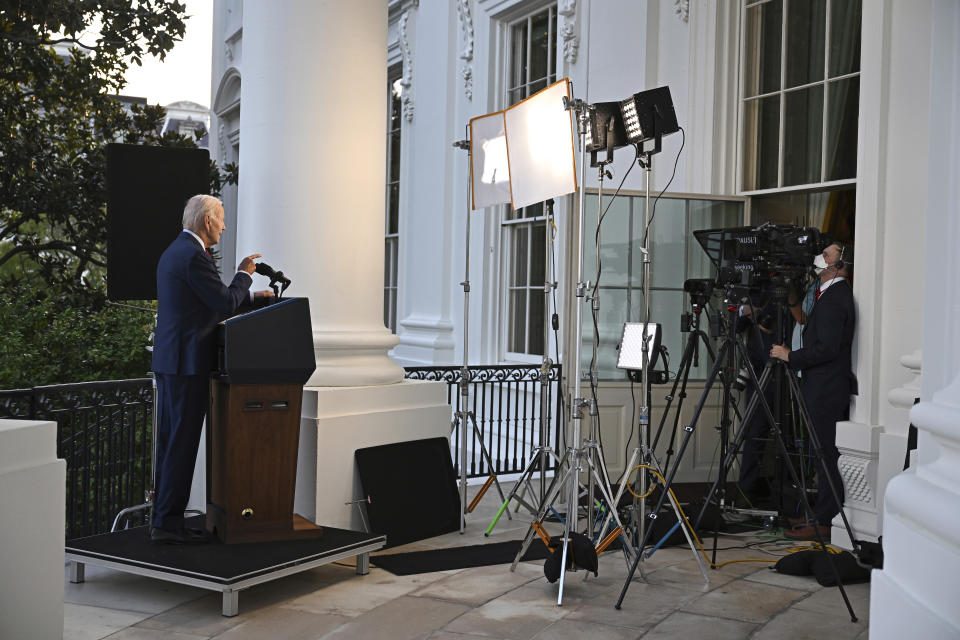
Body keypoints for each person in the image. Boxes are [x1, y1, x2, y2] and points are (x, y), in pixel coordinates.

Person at [150, 195, 273, 544]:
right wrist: (243, 276)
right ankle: (167, 525)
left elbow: (206, 301)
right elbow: (222, 302)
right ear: (206, 221)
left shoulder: (176, 251)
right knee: (181, 445)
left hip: (174, 361)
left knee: (172, 443)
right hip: (186, 364)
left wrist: (251, 298)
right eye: (220, 220)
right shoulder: (193, 255)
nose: (223, 226)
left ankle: (165, 518)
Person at [770, 242, 856, 541]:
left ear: (840, 264)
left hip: (826, 387)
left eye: (828, 255)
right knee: (818, 452)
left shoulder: (836, 297)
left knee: (826, 454)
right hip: (817, 384)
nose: (821, 258)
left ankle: (825, 520)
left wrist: (790, 356)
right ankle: (818, 513)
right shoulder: (824, 294)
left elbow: (827, 348)